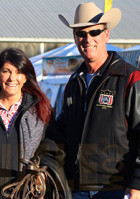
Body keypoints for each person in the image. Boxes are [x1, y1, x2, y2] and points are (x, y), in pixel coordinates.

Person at [53, 2, 140, 199]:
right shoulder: (74, 82)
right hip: (77, 189)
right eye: (81, 34)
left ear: (106, 34)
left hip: (117, 189)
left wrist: (137, 183)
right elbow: (61, 131)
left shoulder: (130, 78)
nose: (87, 39)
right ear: (75, 38)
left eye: (94, 33)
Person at [0, 48, 71, 198]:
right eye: (6, 71)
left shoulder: (40, 109)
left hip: (27, 193)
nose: (12, 78)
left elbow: (54, 145)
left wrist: (40, 165)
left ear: (26, 77)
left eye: (18, 72)